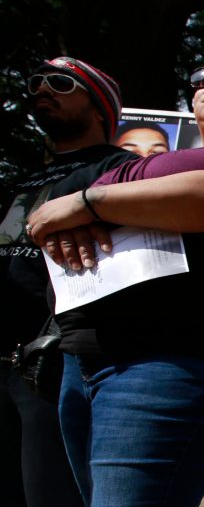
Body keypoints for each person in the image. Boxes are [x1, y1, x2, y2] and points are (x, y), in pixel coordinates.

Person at [27, 59, 204, 506]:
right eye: (201, 79)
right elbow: (48, 221)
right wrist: (80, 214)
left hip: (165, 364)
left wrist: (89, 204)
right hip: (80, 364)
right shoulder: (132, 166)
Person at [1, 56, 134, 507]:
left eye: (59, 84)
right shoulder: (19, 179)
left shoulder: (119, 170)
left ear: (100, 107)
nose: (41, 90)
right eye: (35, 82)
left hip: (54, 365)